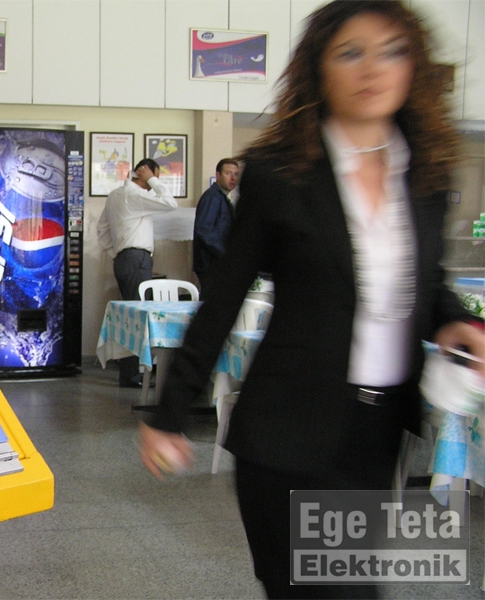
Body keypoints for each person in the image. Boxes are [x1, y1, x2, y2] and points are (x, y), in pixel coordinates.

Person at [137, 2, 485, 598]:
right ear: (319, 68)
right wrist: (169, 414)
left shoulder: (424, 172)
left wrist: (454, 322)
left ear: (415, 67)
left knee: (349, 586)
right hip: (288, 429)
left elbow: (424, 281)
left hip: (377, 432)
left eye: (393, 51)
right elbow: (223, 297)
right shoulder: (281, 173)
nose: (373, 68)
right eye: (350, 52)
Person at [98, 158, 178, 387]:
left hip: (124, 260)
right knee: (138, 318)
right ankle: (131, 375)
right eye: (154, 177)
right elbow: (170, 203)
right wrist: (152, 179)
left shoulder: (115, 195)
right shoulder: (135, 195)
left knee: (129, 316)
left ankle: (130, 373)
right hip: (137, 259)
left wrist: (116, 254)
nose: (154, 183)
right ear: (144, 174)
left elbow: (102, 229)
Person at [193, 158, 240, 296]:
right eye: (228, 173)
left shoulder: (221, 197)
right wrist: (226, 254)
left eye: (236, 174)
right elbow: (204, 230)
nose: (233, 178)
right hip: (211, 263)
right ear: (218, 175)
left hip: (215, 262)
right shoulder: (213, 197)